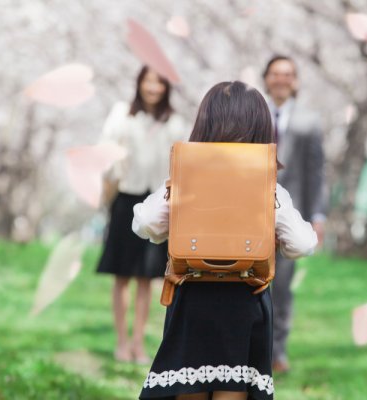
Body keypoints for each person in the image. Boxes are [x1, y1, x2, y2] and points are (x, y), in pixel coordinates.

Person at [132, 81, 317, 400]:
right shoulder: (268, 188)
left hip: (193, 298)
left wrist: (174, 192)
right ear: (262, 128)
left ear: (204, 124)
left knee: (187, 386)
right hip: (244, 301)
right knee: (234, 390)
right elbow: (301, 244)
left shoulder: (185, 179)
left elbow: (146, 223)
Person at [96, 66, 188, 363]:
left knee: (147, 277)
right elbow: (106, 150)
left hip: (157, 203)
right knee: (122, 275)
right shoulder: (122, 114)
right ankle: (121, 341)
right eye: (148, 81)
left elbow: (183, 159)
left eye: (158, 82)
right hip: (125, 199)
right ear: (139, 84)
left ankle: (138, 342)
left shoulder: (173, 122)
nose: (153, 87)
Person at [263, 55, 326, 373]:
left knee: (283, 286)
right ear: (266, 78)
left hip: (292, 213)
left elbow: (316, 172)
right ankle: (255, 348)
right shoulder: (254, 114)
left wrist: (318, 214)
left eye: (288, 74)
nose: (281, 79)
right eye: (276, 73)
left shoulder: (309, 121)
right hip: (256, 211)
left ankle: (278, 351)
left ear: (295, 80)